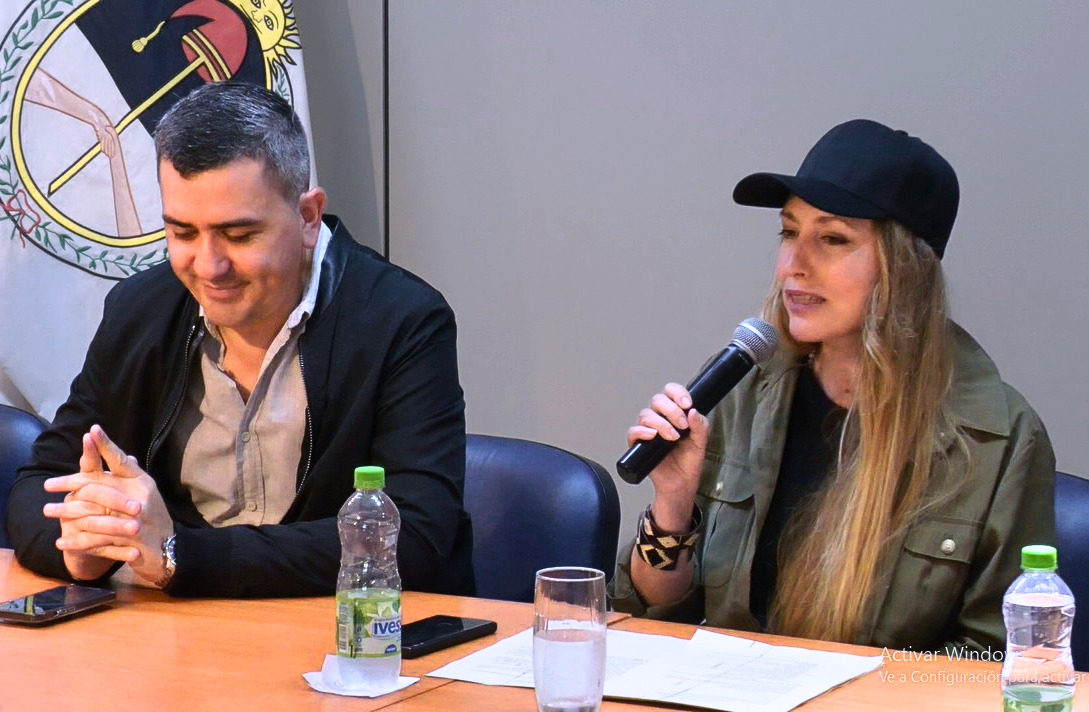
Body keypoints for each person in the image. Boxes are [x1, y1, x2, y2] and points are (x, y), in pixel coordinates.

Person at [6, 81, 474, 598]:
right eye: (183, 233)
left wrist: (180, 555)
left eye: (239, 235)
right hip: (175, 640)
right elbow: (40, 486)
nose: (209, 266)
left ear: (307, 217)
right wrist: (80, 547)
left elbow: (417, 535)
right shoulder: (141, 310)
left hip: (348, 641)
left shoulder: (401, 320)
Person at [610, 119, 1055, 653]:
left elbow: (994, 663)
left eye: (832, 238)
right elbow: (652, 618)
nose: (793, 266)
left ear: (904, 270)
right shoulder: (743, 389)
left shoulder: (998, 438)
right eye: (789, 232)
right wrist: (673, 505)